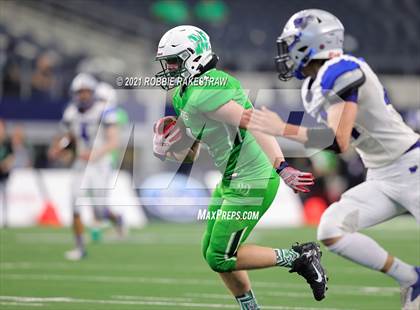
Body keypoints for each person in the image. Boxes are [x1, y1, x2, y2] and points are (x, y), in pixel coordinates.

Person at [244, 9, 420, 310]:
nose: (286, 53)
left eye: (291, 44)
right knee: (331, 229)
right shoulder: (312, 86)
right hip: (381, 175)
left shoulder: (342, 69)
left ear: (313, 43)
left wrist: (281, 128)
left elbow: (338, 141)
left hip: (412, 168)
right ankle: (410, 279)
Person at [152, 25, 327, 309]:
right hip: (232, 179)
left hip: (252, 179)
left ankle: (300, 258)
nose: (168, 69)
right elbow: (192, 150)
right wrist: (166, 148)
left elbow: (254, 121)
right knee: (214, 254)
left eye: (173, 61)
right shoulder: (184, 93)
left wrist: (282, 167)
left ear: (193, 57)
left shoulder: (207, 88)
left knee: (219, 256)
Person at [48, 74, 122, 260]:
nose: (83, 95)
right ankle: (80, 247)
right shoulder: (71, 112)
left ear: (93, 92)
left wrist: (95, 154)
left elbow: (114, 141)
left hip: (100, 163)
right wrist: (59, 149)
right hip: (81, 163)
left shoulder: (104, 110)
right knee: (75, 205)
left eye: (86, 91)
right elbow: (68, 137)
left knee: (99, 210)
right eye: (80, 92)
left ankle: (118, 219)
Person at [0, 120, 14, 227]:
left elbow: (11, 156)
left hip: (4, 174)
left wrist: (5, 164)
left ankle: (5, 219)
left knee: (5, 197)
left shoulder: (7, 142)